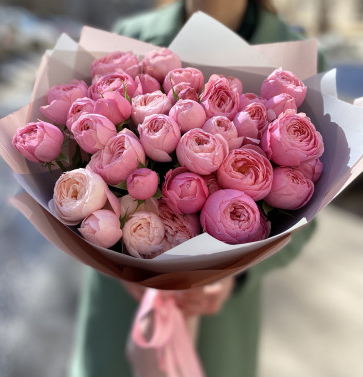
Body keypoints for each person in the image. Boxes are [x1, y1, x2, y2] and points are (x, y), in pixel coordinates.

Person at [69, 1, 325, 376]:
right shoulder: (132, 35)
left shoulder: (297, 53)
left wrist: (237, 276)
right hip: (119, 308)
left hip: (220, 322)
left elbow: (310, 214)